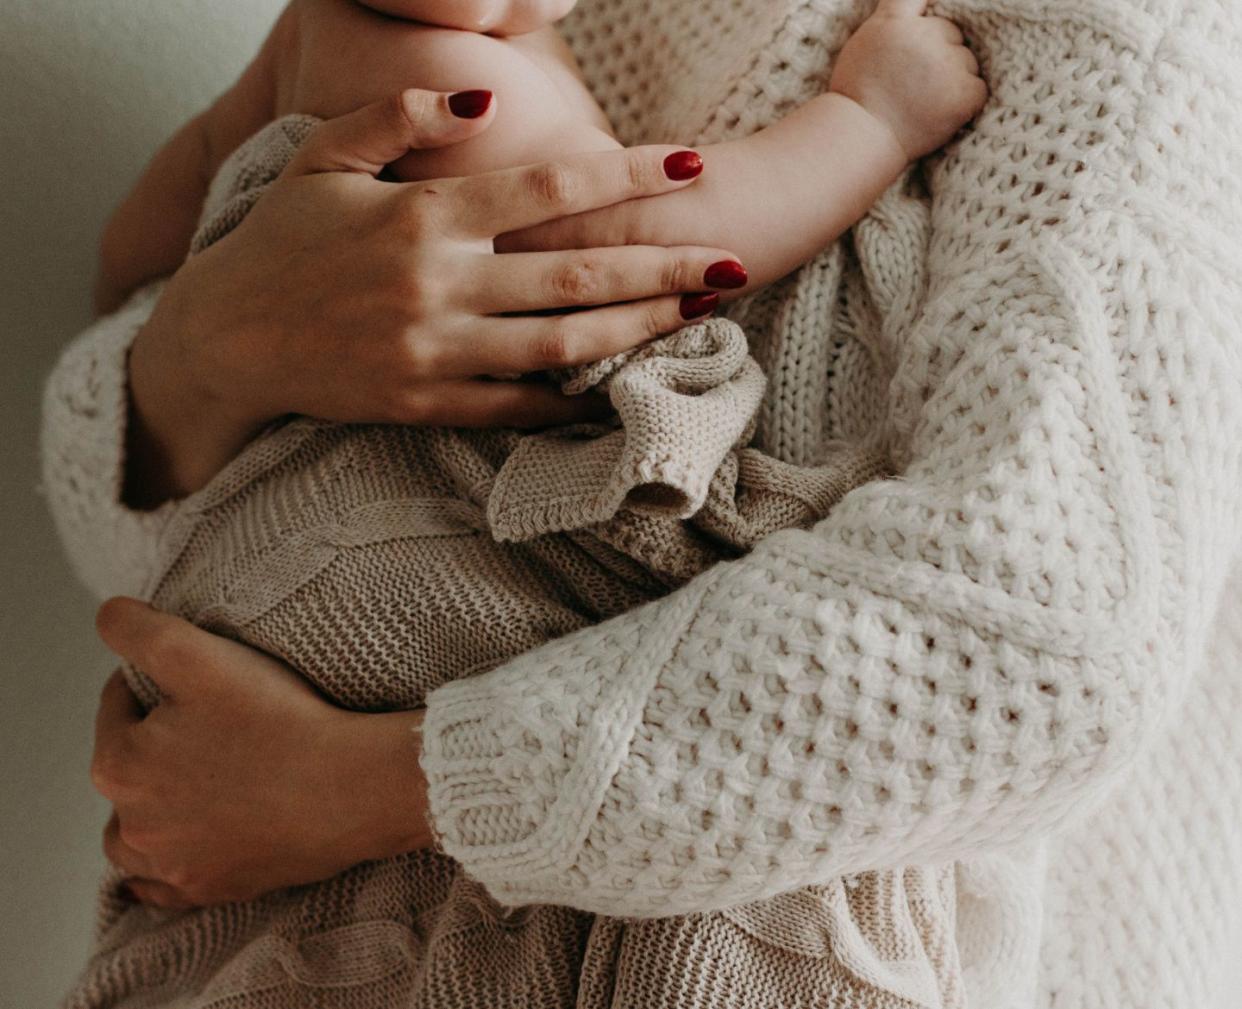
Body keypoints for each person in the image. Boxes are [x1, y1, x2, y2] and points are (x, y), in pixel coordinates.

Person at [44, 0, 1242, 1006]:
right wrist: (211, 345)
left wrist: (338, 789)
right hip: (340, 706)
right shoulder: (439, 61)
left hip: (922, 916)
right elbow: (666, 236)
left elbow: (1040, 652)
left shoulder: (1122, 58)